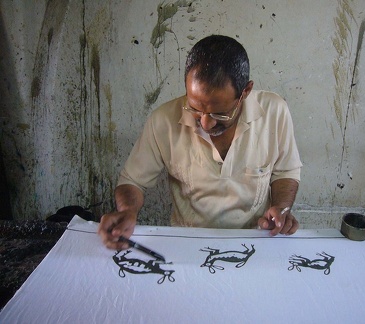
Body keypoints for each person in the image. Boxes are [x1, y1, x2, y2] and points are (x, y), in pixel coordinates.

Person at [98, 35, 302, 250]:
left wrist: (281, 208)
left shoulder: (274, 111)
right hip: (188, 243)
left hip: (256, 240)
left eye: (220, 114)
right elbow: (132, 181)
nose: (206, 123)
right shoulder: (163, 121)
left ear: (245, 92)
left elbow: (286, 172)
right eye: (195, 108)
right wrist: (127, 211)